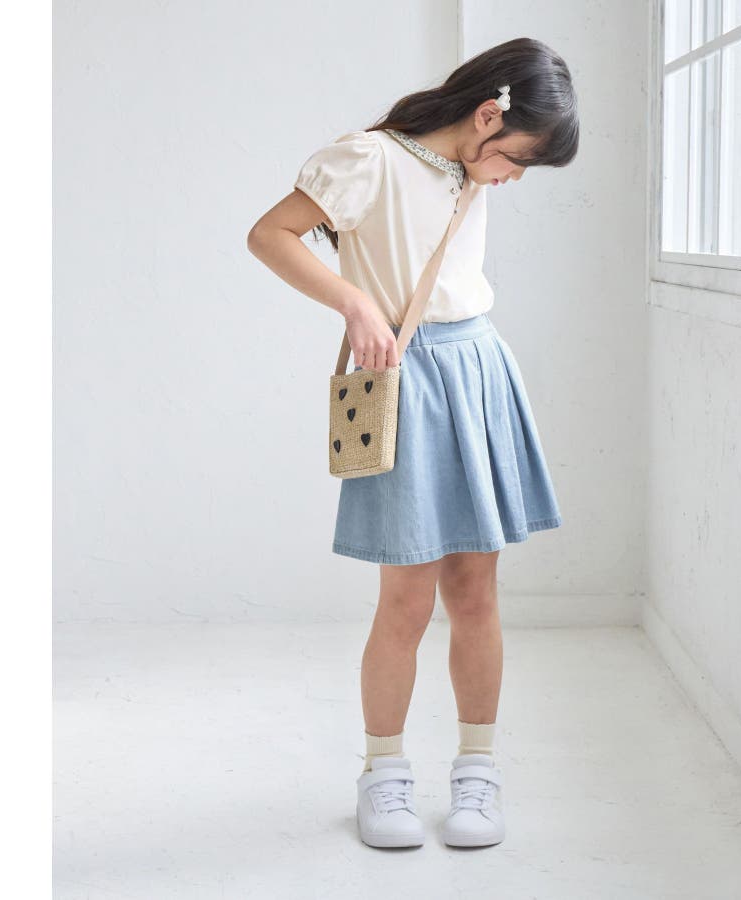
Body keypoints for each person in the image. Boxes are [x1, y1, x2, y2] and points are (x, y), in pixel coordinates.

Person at [247, 36, 580, 849]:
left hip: (478, 368)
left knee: (476, 592)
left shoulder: (469, 169)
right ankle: (384, 774)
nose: (515, 178)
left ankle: (478, 771)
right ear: (488, 116)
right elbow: (270, 234)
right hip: (406, 378)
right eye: (520, 158)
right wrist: (355, 304)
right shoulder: (369, 160)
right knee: (405, 598)